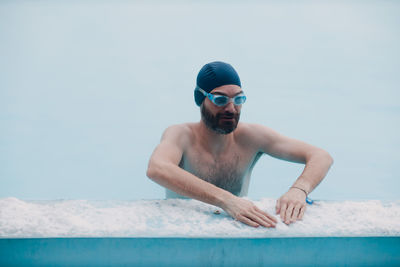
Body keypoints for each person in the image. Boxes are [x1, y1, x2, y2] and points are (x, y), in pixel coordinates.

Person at [146, 61, 333, 228]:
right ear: (199, 99)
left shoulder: (251, 136)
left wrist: (299, 190)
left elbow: (321, 156)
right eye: (220, 100)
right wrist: (226, 200)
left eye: (238, 99)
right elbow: (157, 168)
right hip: (182, 229)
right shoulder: (181, 135)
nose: (230, 108)